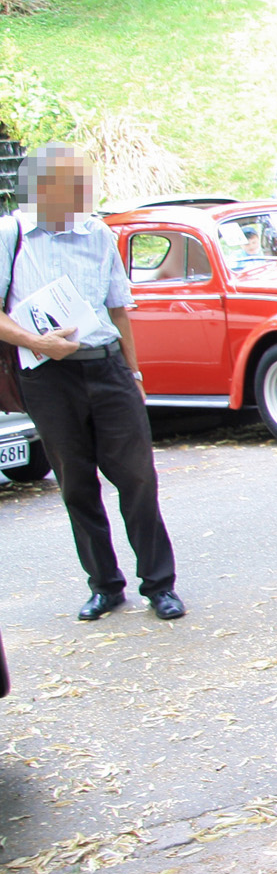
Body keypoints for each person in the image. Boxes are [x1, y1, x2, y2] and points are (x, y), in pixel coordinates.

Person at [0, 144, 184, 621]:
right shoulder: (11, 233)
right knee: (76, 482)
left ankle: (159, 584)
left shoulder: (97, 232)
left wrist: (133, 371)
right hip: (47, 375)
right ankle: (104, 584)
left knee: (138, 477)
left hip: (106, 367)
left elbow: (118, 307)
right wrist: (36, 342)